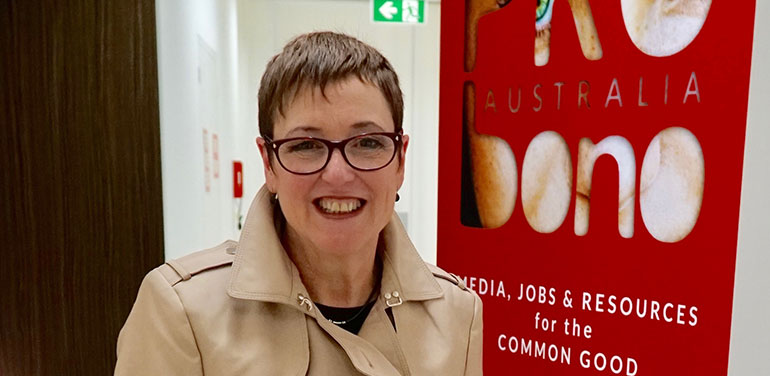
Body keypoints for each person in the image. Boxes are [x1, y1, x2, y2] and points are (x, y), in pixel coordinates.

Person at [115, 31, 483, 375]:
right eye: (306, 145)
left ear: (400, 160)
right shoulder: (183, 313)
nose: (338, 175)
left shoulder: (456, 313)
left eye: (368, 142)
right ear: (269, 164)